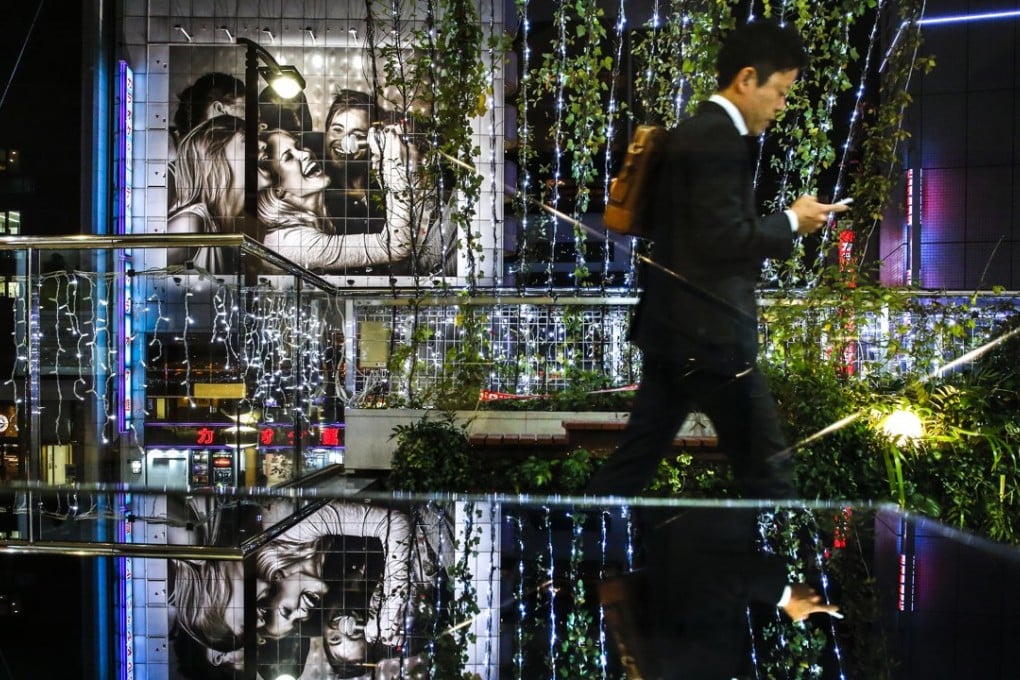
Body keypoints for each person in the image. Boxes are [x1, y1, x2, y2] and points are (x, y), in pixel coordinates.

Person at [585, 19, 844, 679]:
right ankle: (791, 589)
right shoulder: (717, 139)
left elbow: (695, 237)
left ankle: (585, 557)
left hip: (679, 332)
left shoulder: (695, 133)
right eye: (780, 92)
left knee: (637, 460)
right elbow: (720, 238)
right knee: (767, 465)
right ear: (747, 79)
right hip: (712, 336)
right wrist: (793, 219)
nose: (780, 106)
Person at [256, 127, 415, 273]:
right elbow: (395, 247)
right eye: (288, 157)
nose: (305, 153)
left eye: (299, 146)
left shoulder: (329, 215)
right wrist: (394, 165)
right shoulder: (290, 243)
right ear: (277, 190)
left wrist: (385, 163)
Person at [165, 114, 247, 273]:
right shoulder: (189, 224)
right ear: (216, 158)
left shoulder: (233, 229)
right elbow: (144, 274)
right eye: (246, 140)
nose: (263, 145)